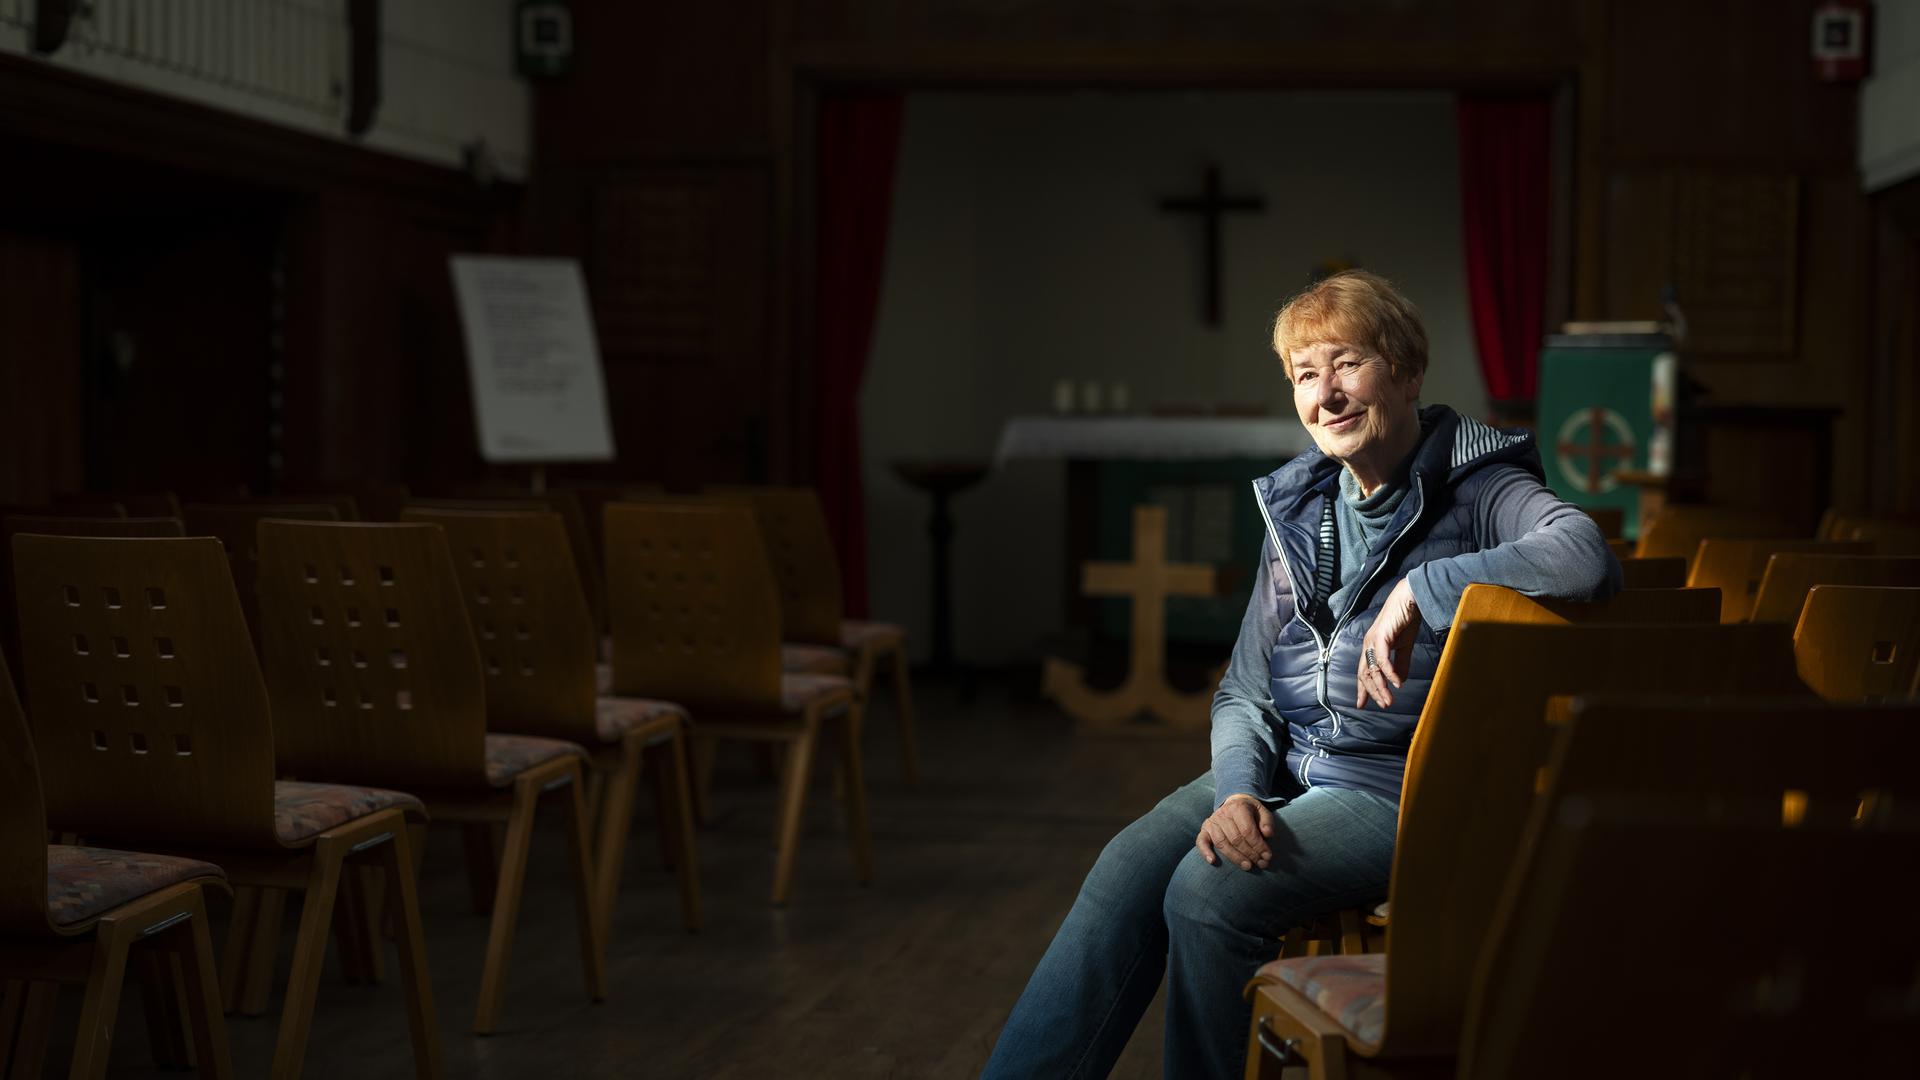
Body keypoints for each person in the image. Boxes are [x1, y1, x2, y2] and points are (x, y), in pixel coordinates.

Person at [981, 270, 1619, 1079]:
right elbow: (1246, 689)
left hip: (1402, 786)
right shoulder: (1302, 508)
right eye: (1305, 375)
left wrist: (1423, 591)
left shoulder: (1482, 484)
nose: (1327, 395)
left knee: (1206, 897)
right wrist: (1238, 790)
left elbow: (1584, 554)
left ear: (1408, 370)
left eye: (1347, 363)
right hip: (1288, 768)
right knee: (1125, 869)